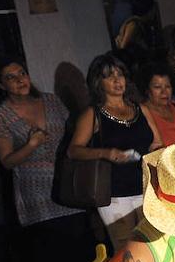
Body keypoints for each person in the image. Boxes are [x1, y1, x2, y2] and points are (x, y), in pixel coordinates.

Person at [0, 56, 96, 262]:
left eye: (22, 73)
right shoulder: (0, 116)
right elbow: (7, 161)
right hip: (38, 201)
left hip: (69, 191)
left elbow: (73, 134)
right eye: (11, 77)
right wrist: (31, 145)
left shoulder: (50, 100)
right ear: (1, 86)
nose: (20, 80)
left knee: (83, 260)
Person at [68, 53, 161, 250]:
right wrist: (105, 153)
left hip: (146, 187)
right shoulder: (93, 114)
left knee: (156, 246)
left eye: (120, 74)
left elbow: (156, 143)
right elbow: (74, 151)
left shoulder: (141, 109)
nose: (117, 80)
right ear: (98, 82)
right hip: (114, 193)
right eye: (109, 76)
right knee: (127, 250)